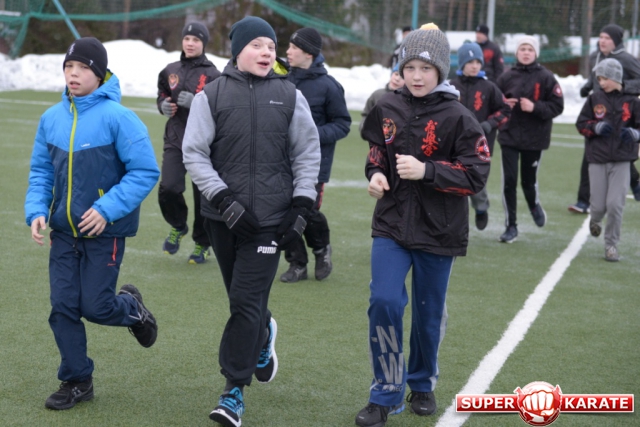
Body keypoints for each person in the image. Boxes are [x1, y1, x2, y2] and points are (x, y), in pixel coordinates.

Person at [182, 16, 320, 426]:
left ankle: (233, 392)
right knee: (243, 301)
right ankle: (263, 333)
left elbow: (307, 153)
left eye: (271, 46)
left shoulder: (290, 95)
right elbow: (194, 153)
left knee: (244, 302)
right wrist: (223, 199)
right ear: (238, 50)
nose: (266, 52)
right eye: (257, 45)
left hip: (269, 222)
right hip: (222, 218)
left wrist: (301, 205)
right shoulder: (212, 95)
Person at [356, 23, 490, 427]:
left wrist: (428, 170)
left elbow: (475, 174)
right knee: (384, 301)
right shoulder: (387, 105)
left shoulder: (459, 116)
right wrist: (375, 174)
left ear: (441, 71)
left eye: (425, 68)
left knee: (428, 317)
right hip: (391, 224)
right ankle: (385, 392)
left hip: (439, 230)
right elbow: (377, 151)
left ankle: (422, 382)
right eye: (409, 67)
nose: (416, 76)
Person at [24, 37, 160, 411]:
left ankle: (133, 308)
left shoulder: (119, 117)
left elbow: (145, 171)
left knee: (97, 307)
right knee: (62, 307)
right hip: (63, 233)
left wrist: (105, 209)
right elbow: (41, 172)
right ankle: (77, 380)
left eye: (83, 68)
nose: (74, 74)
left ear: (99, 74)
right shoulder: (51, 118)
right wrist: (36, 209)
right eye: (69, 67)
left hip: (104, 232)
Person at [280, 27, 352, 283]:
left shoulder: (329, 86)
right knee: (282, 210)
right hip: (281, 161)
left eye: (294, 47)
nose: (288, 51)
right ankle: (297, 263)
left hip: (314, 165)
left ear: (308, 53)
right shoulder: (282, 80)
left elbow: (342, 124)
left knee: (306, 211)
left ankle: (322, 250)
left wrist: (311, 135)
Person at [157, 22, 221, 263]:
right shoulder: (170, 70)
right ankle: (178, 225)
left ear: (204, 43)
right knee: (169, 187)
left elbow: (220, 108)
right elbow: (163, 93)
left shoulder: (213, 75)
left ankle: (202, 243)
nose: (190, 43)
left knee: (202, 196)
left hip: (204, 143)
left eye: (196, 39)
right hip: (175, 138)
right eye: (187, 39)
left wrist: (196, 102)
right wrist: (162, 105)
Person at [496, 35, 564, 243]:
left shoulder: (546, 77)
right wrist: (504, 103)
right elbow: (494, 101)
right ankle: (511, 225)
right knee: (509, 181)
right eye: (522, 49)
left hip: (535, 139)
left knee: (528, 181)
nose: (526, 53)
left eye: (530, 49)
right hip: (509, 136)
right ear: (516, 52)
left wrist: (535, 107)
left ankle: (534, 205)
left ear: (536, 53)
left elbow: (558, 106)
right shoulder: (506, 77)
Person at [569, 24, 640, 214]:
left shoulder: (626, 59)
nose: (602, 41)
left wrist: (621, 86)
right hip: (598, 114)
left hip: (621, 113)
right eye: (600, 37)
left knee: (620, 155)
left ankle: (635, 183)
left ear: (616, 41)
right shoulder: (596, 56)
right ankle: (583, 201)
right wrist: (588, 86)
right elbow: (596, 78)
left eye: (607, 38)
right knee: (590, 156)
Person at [576, 58, 640, 261]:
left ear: (615, 77)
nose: (601, 83)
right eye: (599, 79)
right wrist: (595, 127)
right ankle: (595, 220)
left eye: (604, 78)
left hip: (622, 160)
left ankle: (611, 245)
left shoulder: (633, 101)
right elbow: (581, 124)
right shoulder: (594, 99)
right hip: (597, 159)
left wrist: (635, 134)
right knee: (597, 206)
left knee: (615, 205)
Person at [449, 42, 510, 230]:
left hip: (480, 146)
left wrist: (489, 124)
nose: (474, 66)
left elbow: (505, 110)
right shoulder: (451, 86)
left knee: (475, 182)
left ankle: (481, 208)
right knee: (452, 181)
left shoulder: (489, 87)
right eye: (470, 62)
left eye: (478, 62)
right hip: (453, 144)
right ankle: (453, 220)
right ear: (462, 63)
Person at [359, 63, 405, 134]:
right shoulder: (377, 94)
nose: (397, 79)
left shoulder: (407, 99)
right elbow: (366, 115)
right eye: (396, 74)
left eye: (402, 77)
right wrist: (365, 128)